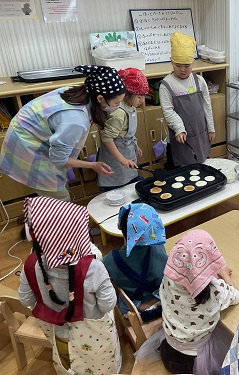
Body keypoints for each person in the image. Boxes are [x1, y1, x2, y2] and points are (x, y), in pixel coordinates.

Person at [18, 196, 121, 374]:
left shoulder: (31, 264)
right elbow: (107, 304)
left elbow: (25, 299)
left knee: (70, 368)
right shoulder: (94, 267)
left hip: (59, 335)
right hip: (96, 336)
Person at [0, 65, 125, 202]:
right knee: (61, 202)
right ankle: (59, 221)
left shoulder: (81, 91)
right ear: (100, 98)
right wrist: (92, 165)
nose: (118, 106)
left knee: (57, 190)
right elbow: (59, 159)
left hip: (33, 131)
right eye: (117, 103)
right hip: (26, 144)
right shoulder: (76, 121)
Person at [159, 229, 239, 374]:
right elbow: (236, 295)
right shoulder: (215, 291)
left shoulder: (168, 279)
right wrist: (223, 273)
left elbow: (190, 280)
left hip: (168, 350)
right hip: (196, 361)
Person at [102, 203, 167, 322]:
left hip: (134, 313)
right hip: (165, 302)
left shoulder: (110, 260)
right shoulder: (158, 247)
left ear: (119, 227)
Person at [160, 32, 215, 170]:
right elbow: (168, 111)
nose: (183, 70)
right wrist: (179, 128)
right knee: (179, 176)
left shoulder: (199, 81)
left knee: (202, 171)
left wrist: (211, 128)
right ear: (171, 62)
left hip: (200, 136)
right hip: (178, 139)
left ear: (193, 63)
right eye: (178, 65)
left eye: (187, 65)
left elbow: (207, 106)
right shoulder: (166, 85)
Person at [97, 68, 149, 192]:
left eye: (143, 97)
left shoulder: (131, 106)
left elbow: (128, 132)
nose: (142, 101)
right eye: (139, 97)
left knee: (129, 183)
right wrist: (122, 159)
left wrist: (136, 145)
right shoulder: (119, 113)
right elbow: (106, 138)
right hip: (115, 157)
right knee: (117, 188)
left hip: (127, 150)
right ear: (127, 94)